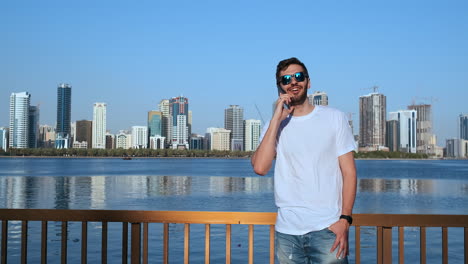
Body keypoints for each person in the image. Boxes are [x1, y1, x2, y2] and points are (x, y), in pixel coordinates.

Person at [251, 57, 357, 263]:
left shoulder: (334, 118)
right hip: (287, 232)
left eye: (298, 76)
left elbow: (349, 172)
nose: (293, 82)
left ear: (308, 82)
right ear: (280, 87)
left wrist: (345, 219)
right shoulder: (275, 125)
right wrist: (276, 119)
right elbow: (260, 168)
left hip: (327, 229)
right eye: (286, 79)